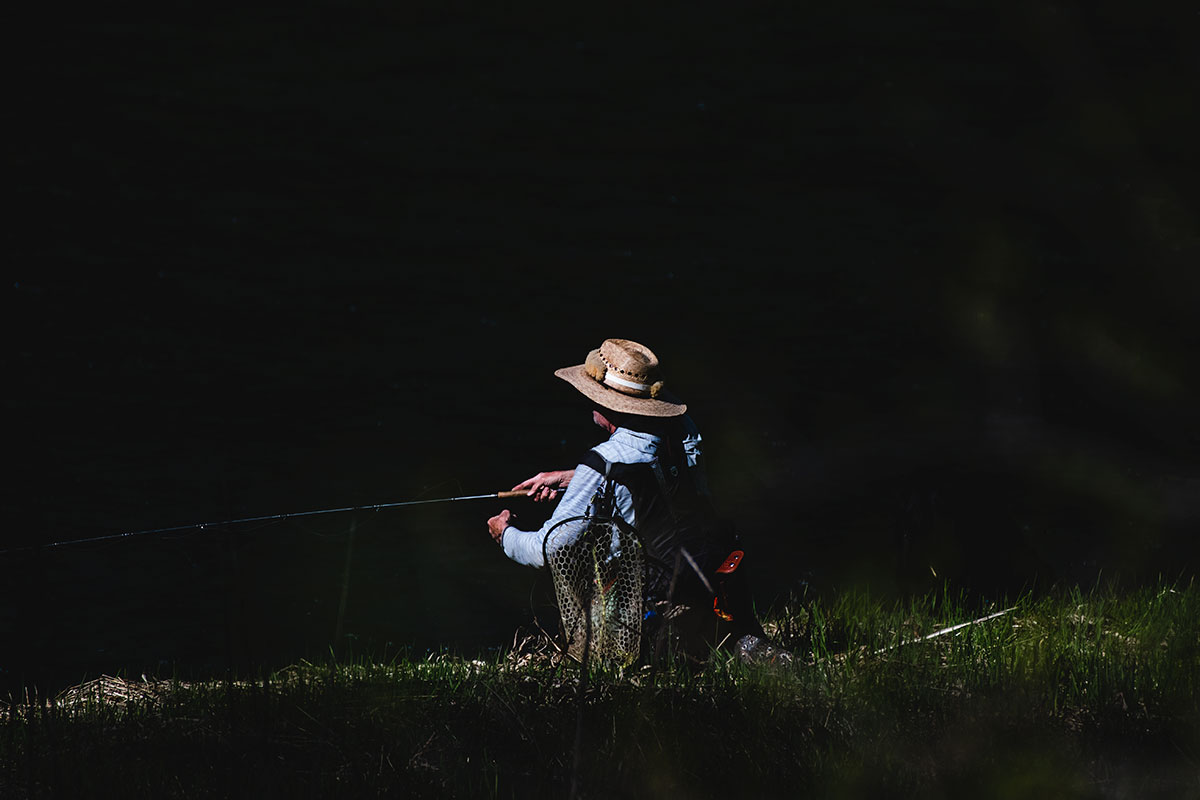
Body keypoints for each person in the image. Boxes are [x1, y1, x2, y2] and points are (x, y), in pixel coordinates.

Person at [486, 338, 781, 664]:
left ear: (608, 402)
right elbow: (662, 483)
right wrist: (572, 478)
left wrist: (505, 534)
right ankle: (734, 642)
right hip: (708, 586)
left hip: (650, 609)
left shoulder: (604, 461)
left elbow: (548, 550)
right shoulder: (683, 430)